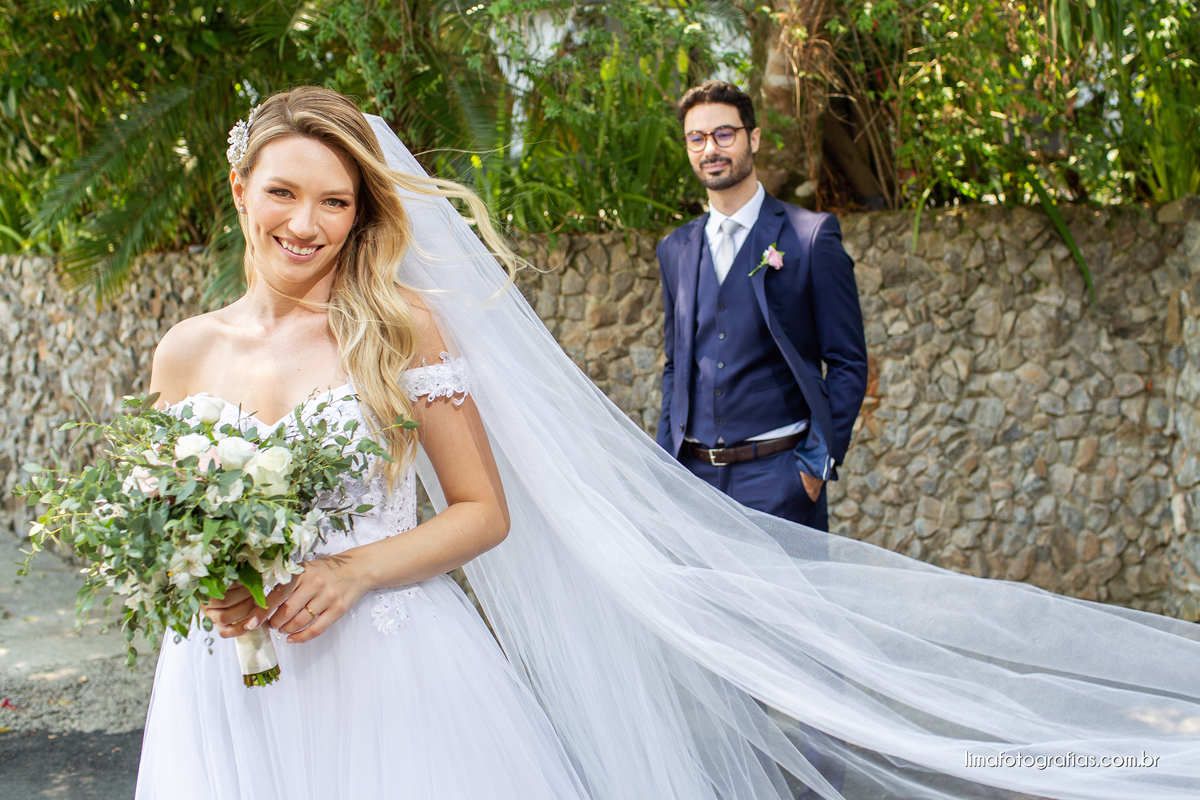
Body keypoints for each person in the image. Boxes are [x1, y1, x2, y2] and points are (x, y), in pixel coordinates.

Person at [133, 86, 1200, 800]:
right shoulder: (182, 353)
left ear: (364, 211)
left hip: (387, 664)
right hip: (221, 673)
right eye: (283, 193)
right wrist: (207, 583)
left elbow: (481, 510)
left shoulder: (400, 326)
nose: (306, 223)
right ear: (240, 190)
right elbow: (164, 527)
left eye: (335, 200)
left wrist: (355, 563)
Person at [656, 80, 868, 532]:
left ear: (753, 138)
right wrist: (668, 467)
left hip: (781, 480)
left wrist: (813, 467)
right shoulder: (674, 248)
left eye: (724, 134)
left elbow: (847, 362)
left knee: (793, 606)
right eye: (697, 138)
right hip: (696, 483)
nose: (710, 148)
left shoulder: (811, 237)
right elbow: (676, 366)